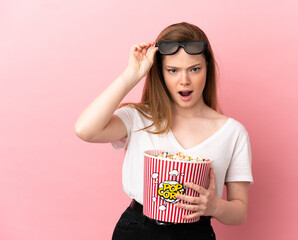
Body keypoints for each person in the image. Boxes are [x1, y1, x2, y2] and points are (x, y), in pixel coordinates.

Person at [74, 22, 253, 240]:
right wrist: (132, 75)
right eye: (173, 70)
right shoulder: (139, 118)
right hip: (137, 230)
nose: (184, 80)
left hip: (196, 233)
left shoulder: (233, 133)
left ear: (207, 69)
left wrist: (215, 207)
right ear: (160, 73)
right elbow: (85, 130)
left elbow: (239, 211)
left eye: (194, 69)